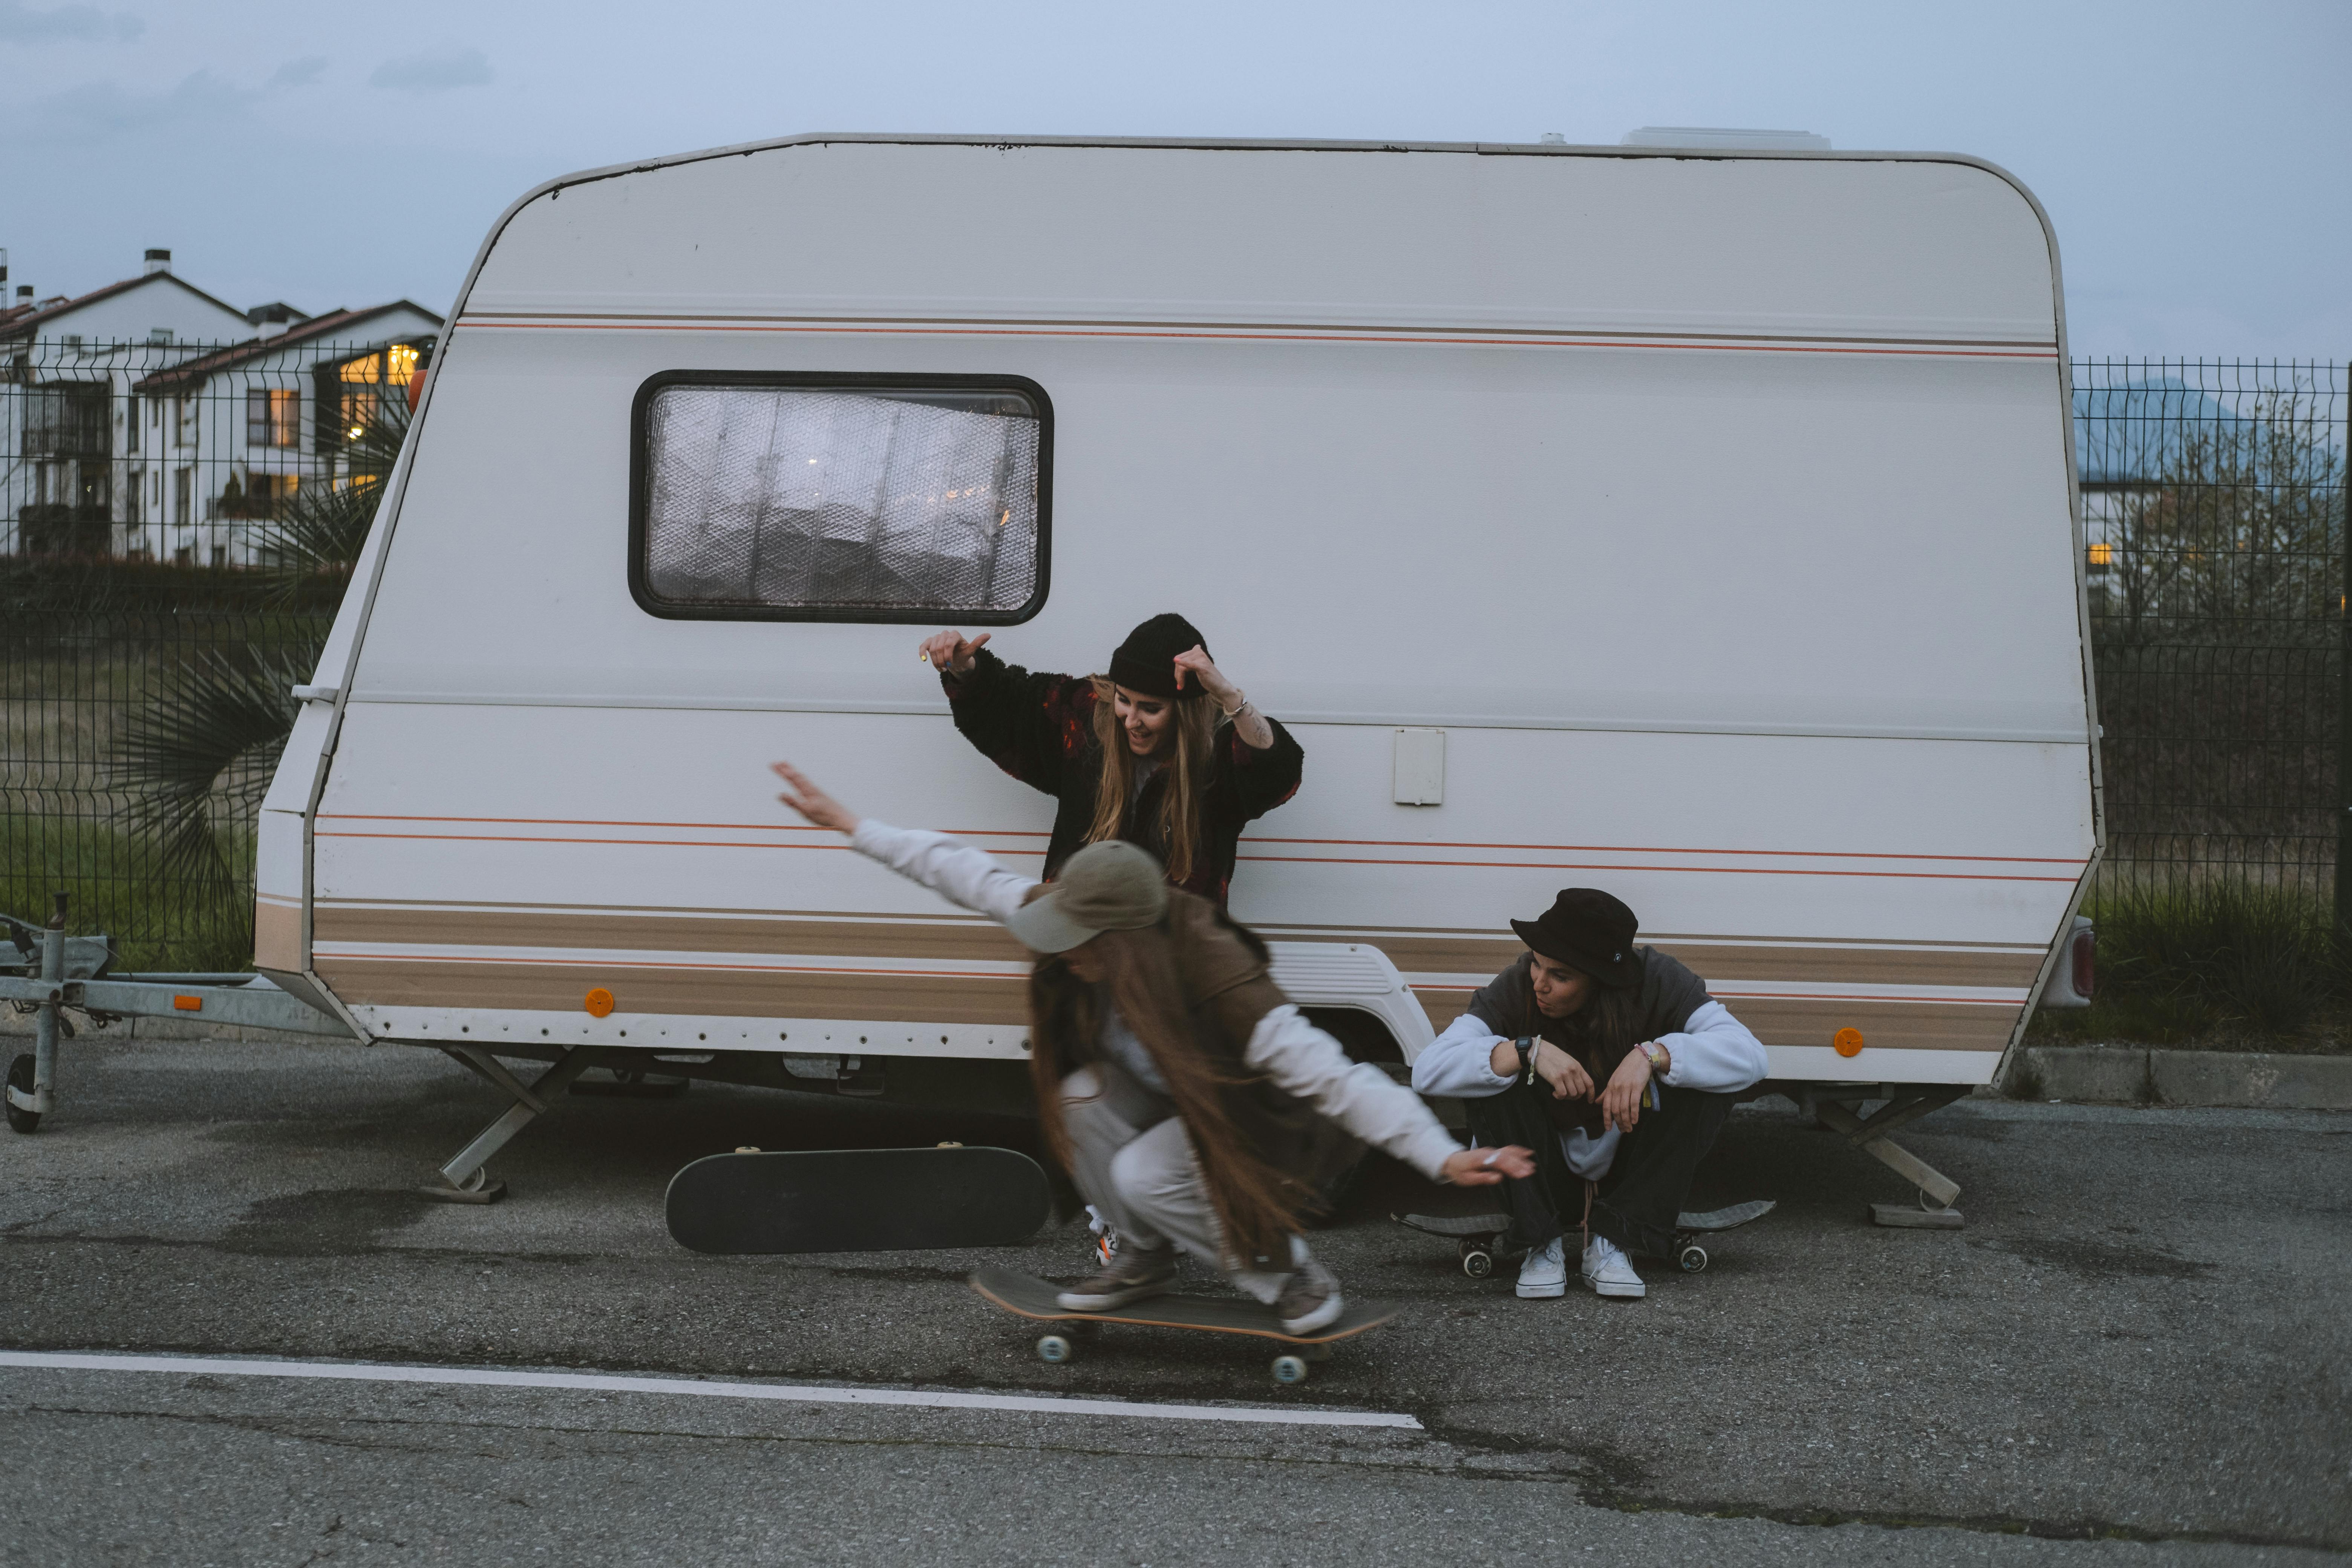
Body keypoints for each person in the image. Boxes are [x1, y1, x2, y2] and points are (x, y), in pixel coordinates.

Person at [772, 760, 1536, 1334]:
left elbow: (1337, 1078)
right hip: (1173, 1101)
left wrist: (1441, 1155)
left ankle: (1288, 1272)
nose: (1061, 953)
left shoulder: (1218, 980)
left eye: (1080, 946)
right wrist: (853, 827)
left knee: (1143, 1172)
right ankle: (1140, 1255)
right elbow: (966, 874)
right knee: (1080, 1097)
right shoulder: (1085, 913)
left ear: (1129, 945)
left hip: (1253, 1122)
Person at [1411, 888, 1768, 1302]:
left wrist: (1653, 1054)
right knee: (1494, 1072)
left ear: (1603, 981)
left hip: (1630, 1173)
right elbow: (1427, 1070)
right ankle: (1540, 1244)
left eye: (1560, 975)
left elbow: (1752, 1057)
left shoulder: (1658, 979)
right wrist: (1527, 1050)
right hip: (1541, 1174)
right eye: (1537, 964)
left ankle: (1614, 1239)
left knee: (1707, 1083)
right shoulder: (1520, 984)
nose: (1539, 983)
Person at [917, 613, 1301, 908]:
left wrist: (1231, 697)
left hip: (1176, 958)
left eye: (1151, 709)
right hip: (1081, 941)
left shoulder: (1217, 752)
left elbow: (1276, 771)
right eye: (1124, 699)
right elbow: (1008, 703)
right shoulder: (1087, 717)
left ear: (1186, 712)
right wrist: (965, 669)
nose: (1131, 721)